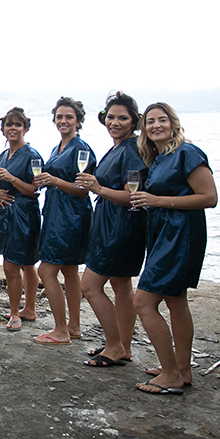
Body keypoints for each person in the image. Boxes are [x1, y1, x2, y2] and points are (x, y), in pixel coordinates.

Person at [130, 102, 217, 395]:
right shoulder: (158, 158)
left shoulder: (187, 153)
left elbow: (209, 197)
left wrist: (157, 201)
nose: (156, 125)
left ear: (173, 124)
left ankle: (170, 375)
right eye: (150, 121)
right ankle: (182, 368)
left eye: (162, 120)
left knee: (143, 302)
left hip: (180, 235)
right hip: (162, 233)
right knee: (176, 300)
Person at [76, 92, 147, 367]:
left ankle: (115, 345)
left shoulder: (131, 150)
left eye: (122, 118)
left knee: (89, 286)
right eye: (111, 117)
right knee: (120, 285)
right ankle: (122, 346)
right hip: (110, 222)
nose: (115, 123)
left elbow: (133, 196)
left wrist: (98, 188)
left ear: (134, 121)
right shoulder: (118, 147)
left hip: (120, 226)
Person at [33, 97, 96, 346]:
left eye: (69, 117)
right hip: (56, 212)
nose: (63, 121)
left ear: (78, 121)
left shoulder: (81, 149)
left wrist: (55, 181)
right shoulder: (58, 147)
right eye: (59, 116)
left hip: (71, 217)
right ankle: (74, 326)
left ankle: (60, 329)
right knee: (69, 270)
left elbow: (84, 189)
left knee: (46, 271)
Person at [0, 107, 42, 332]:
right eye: (8, 124)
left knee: (17, 265)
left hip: (24, 215)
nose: (13, 128)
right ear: (3, 129)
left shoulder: (32, 156)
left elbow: (35, 190)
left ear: (25, 128)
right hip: (6, 214)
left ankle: (16, 313)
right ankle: (28, 309)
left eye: (17, 124)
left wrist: (12, 179)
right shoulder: (2, 156)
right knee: (23, 264)